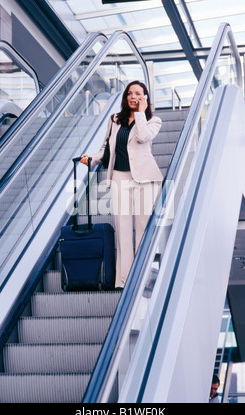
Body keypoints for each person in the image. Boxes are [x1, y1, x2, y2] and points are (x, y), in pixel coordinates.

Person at [81, 80, 163, 289]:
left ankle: (143, 277)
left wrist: (141, 113)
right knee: (123, 229)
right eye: (130, 93)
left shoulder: (154, 121)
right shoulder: (114, 119)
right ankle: (124, 281)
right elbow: (107, 147)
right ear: (125, 97)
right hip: (119, 177)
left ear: (145, 98)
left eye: (139, 93)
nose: (134, 96)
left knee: (143, 229)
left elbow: (143, 137)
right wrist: (92, 159)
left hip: (145, 178)